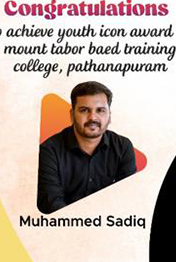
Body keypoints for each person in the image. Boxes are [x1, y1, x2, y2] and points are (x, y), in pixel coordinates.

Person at [36, 81, 137, 214]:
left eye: (100, 110)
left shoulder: (123, 147)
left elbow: (127, 199)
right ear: (72, 115)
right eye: (84, 110)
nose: (92, 117)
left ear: (109, 116)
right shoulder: (49, 151)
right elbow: (52, 204)